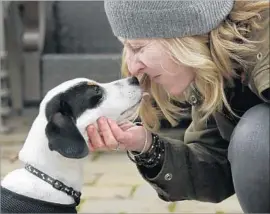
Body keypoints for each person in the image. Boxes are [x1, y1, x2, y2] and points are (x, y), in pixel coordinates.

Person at [87, 1, 270, 213]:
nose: (132, 66)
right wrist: (145, 145)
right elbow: (217, 169)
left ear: (183, 33)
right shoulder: (215, 69)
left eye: (137, 47)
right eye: (125, 47)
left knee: (255, 136)